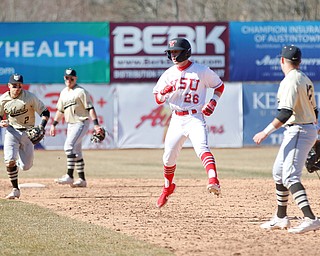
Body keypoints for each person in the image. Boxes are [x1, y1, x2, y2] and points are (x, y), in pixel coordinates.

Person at [253, 45, 320, 234]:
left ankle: (310, 218)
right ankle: (281, 217)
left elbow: (285, 113)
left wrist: (264, 132)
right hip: (303, 129)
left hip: (299, 129)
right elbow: (315, 110)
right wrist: (315, 130)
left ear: (282, 60)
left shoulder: (291, 81)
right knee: (279, 172)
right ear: (299, 61)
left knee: (290, 176)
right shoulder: (304, 78)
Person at [153, 37, 225, 208]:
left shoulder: (201, 70)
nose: (173, 55)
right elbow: (157, 99)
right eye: (171, 52)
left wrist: (213, 101)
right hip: (177, 118)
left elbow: (219, 86)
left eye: (176, 51)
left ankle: (213, 179)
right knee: (168, 157)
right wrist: (163, 92)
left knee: (202, 148)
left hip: (195, 117)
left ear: (186, 52)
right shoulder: (169, 73)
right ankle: (167, 187)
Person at [50, 68, 103, 188]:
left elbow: (90, 108)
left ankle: (69, 176)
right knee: (77, 152)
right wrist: (53, 124)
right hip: (70, 124)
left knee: (68, 147)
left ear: (76, 78)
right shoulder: (63, 92)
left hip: (81, 122)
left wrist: (96, 124)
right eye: (67, 78)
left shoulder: (81, 91)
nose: (69, 80)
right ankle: (82, 179)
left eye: (71, 78)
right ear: (64, 78)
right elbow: (60, 110)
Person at [0, 73, 50, 199]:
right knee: (9, 160)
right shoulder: (3, 99)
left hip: (28, 133)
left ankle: (16, 164)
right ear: (9, 86)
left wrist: (42, 126)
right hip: (12, 131)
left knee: (26, 167)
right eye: (14, 85)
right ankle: (15, 189)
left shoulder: (29, 97)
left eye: (19, 86)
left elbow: (45, 112)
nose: (17, 88)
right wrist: (1, 121)